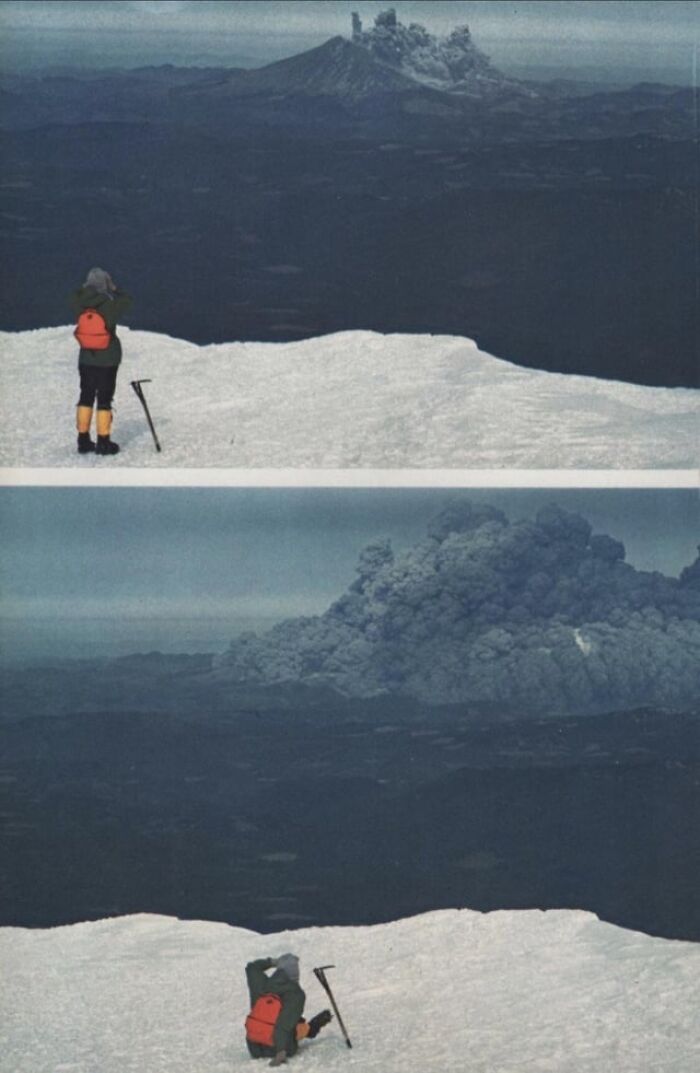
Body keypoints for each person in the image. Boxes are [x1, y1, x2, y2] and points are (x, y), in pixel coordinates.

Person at [70, 267, 132, 455]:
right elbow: (128, 300)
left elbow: (75, 294)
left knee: (85, 395)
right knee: (104, 398)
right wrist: (113, 289)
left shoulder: (78, 302)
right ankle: (103, 442)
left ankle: (83, 440)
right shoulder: (109, 304)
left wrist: (86, 288)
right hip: (108, 358)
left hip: (86, 357)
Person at [245, 953, 332, 1066]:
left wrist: (273, 962)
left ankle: (308, 1028)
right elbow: (283, 1026)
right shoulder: (295, 994)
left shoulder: (262, 984)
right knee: (297, 1023)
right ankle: (311, 1028)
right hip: (276, 1049)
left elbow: (251, 967)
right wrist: (280, 1052)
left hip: (254, 1047)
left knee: (288, 1018)